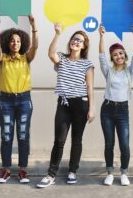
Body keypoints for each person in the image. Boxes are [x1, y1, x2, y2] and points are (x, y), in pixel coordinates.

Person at [37, 23, 95, 188]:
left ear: (83, 46)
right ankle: (51, 174)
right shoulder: (61, 58)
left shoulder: (87, 64)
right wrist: (57, 34)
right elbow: (50, 53)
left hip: (81, 104)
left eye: (80, 41)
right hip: (64, 103)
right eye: (74, 39)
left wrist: (92, 108)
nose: (76, 42)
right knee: (59, 140)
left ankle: (72, 171)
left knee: (77, 140)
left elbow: (90, 87)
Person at [0, 12, 38, 184]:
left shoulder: (26, 58)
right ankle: (5, 169)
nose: (15, 43)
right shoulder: (2, 59)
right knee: (6, 136)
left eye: (18, 41)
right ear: (7, 42)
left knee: (23, 135)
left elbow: (36, 47)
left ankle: (23, 170)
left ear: (22, 43)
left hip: (24, 101)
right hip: (6, 101)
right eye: (12, 40)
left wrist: (34, 27)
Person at [98, 23, 133, 186]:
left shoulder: (130, 71)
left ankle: (123, 173)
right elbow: (101, 56)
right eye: (115, 55)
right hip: (107, 109)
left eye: (121, 53)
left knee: (124, 143)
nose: (118, 56)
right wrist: (101, 36)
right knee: (109, 142)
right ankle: (109, 172)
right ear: (112, 57)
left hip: (122, 110)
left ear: (124, 55)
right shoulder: (108, 71)